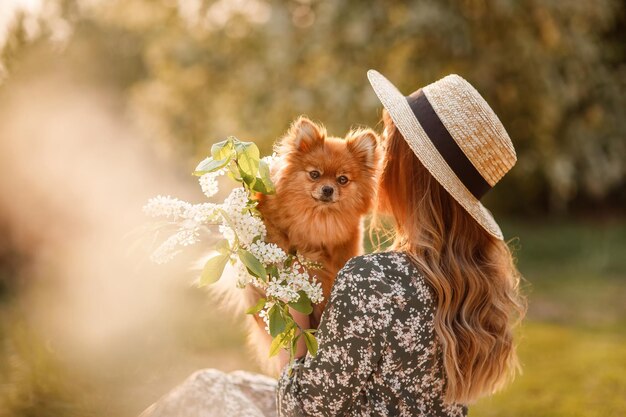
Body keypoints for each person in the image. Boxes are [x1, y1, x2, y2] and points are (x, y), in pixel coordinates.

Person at [275, 70, 526, 416]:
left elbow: (303, 407)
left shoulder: (372, 280)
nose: (376, 158)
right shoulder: (469, 280)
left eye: (389, 141)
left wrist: (294, 309)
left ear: (406, 168)